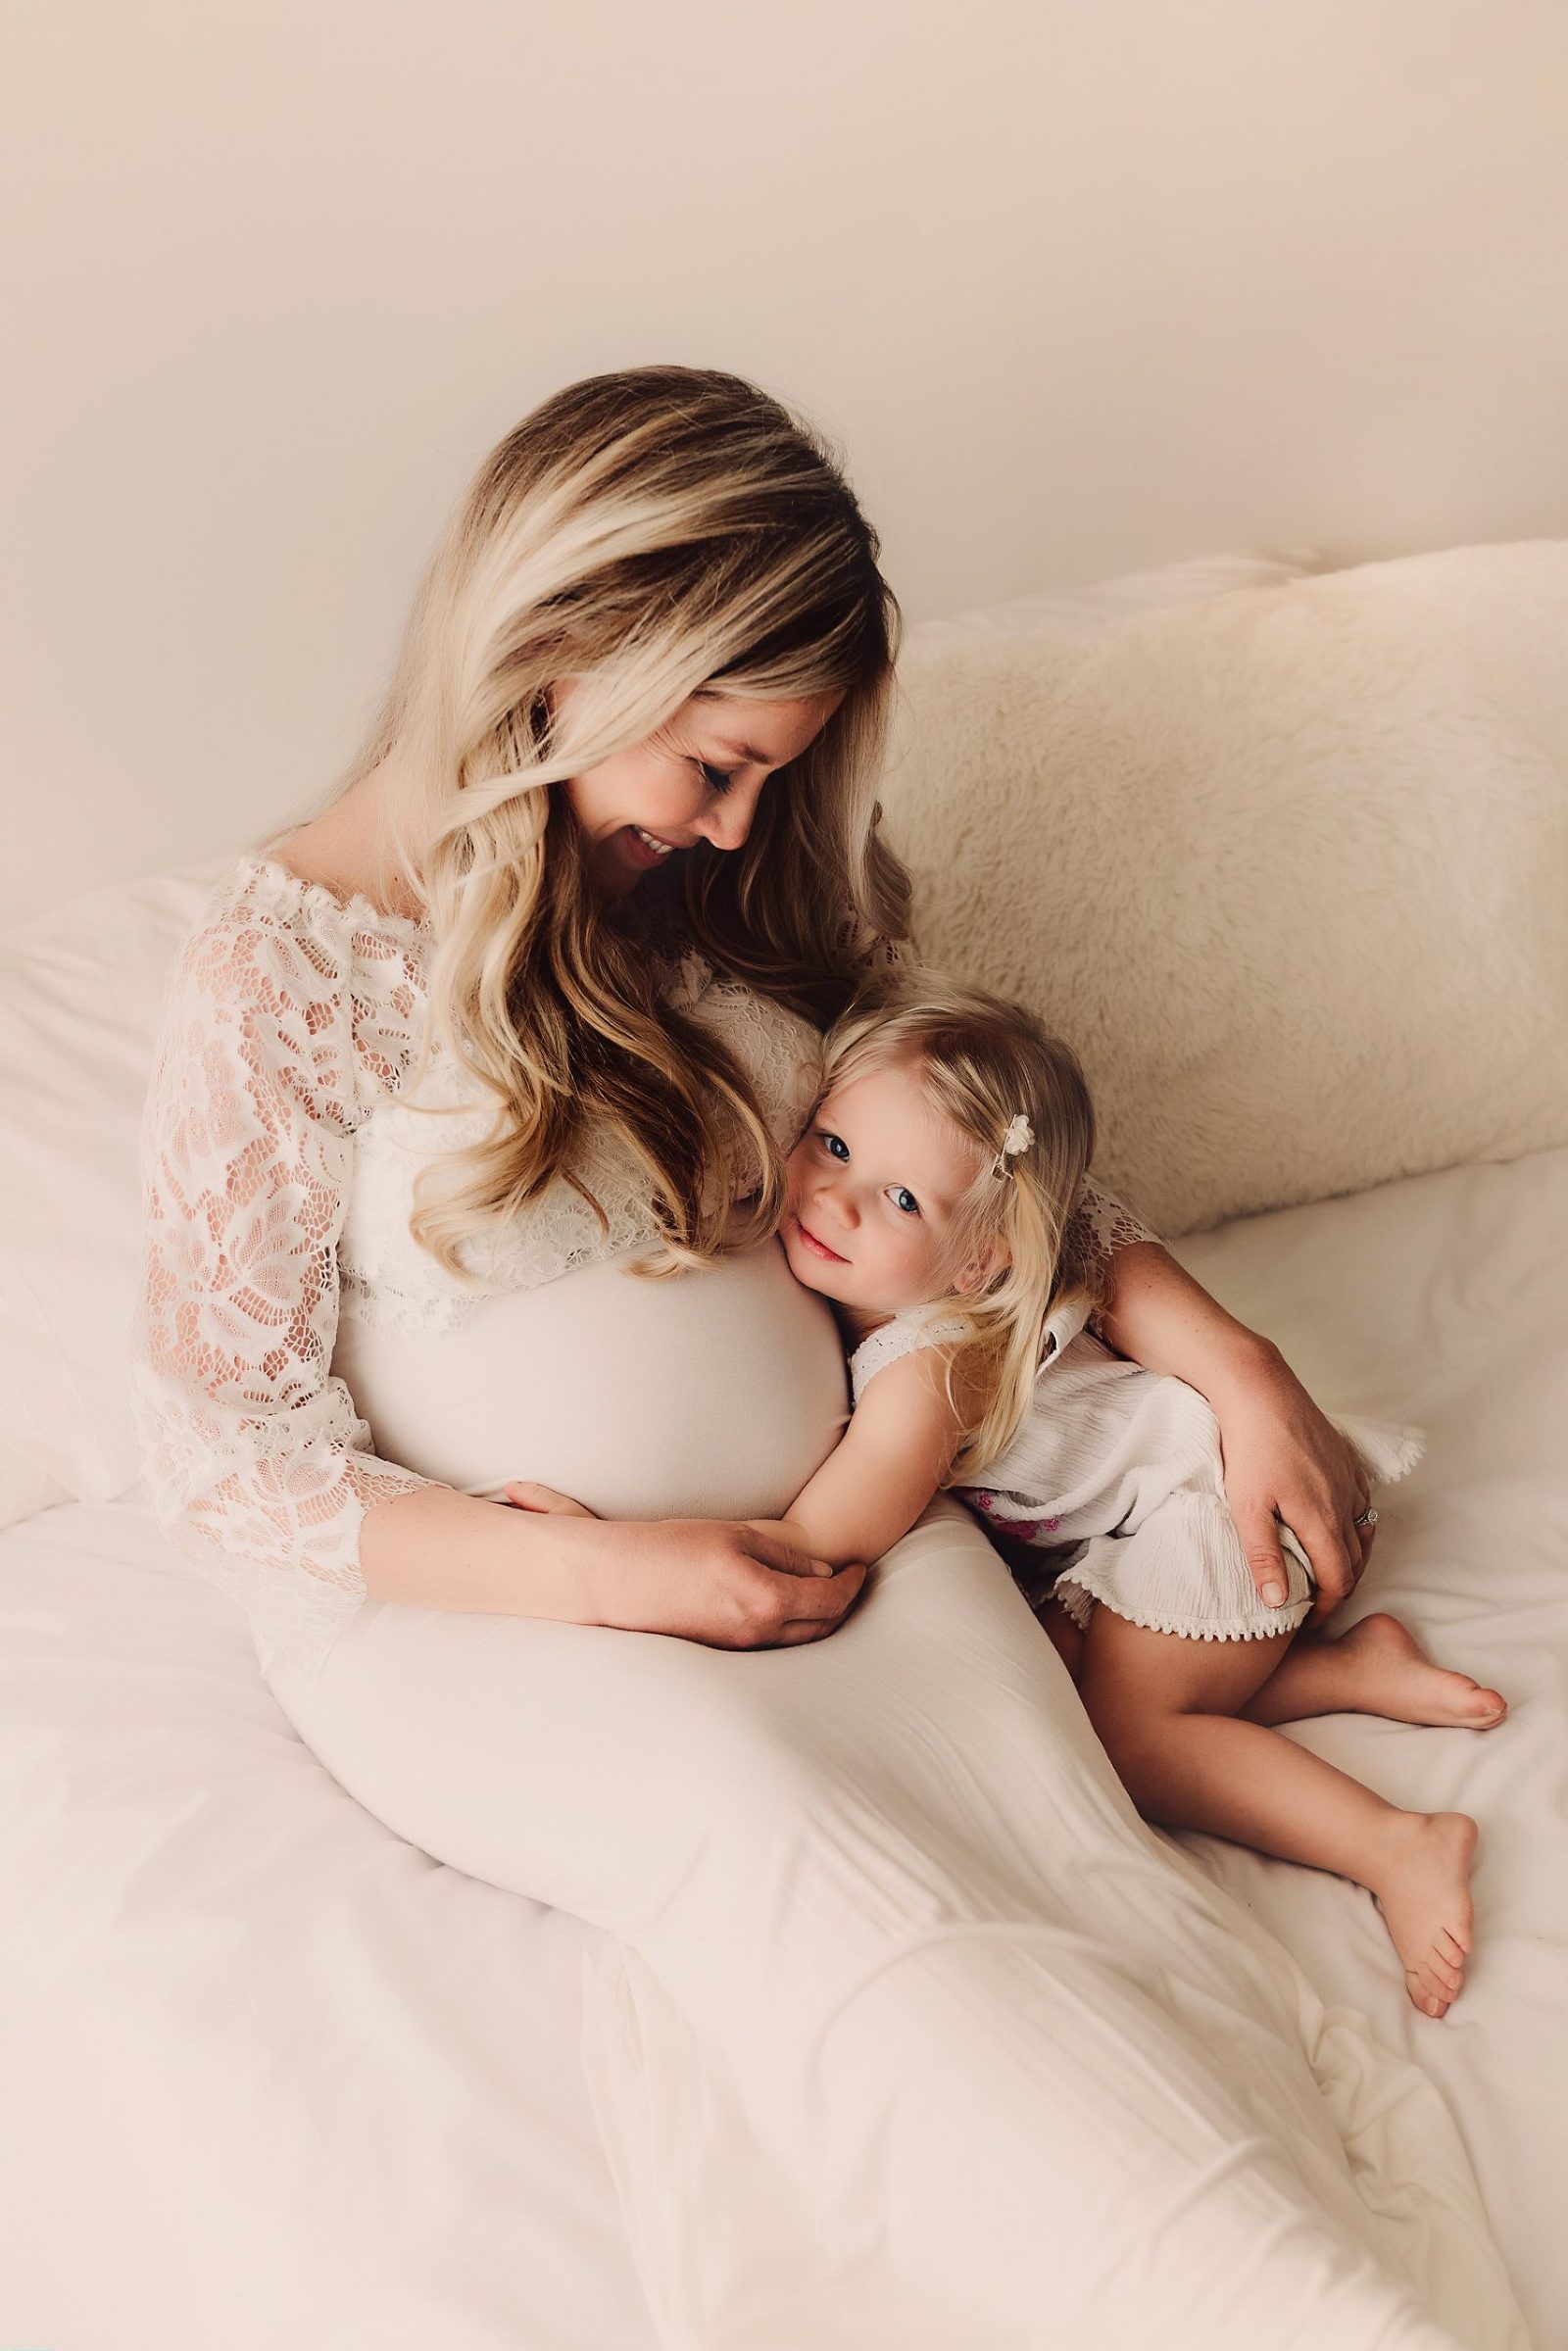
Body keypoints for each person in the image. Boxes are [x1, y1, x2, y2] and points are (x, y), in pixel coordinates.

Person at [127, 367, 1506, 2345]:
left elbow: (985, 1188)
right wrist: (603, 1566)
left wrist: (1234, 1364)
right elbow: (217, 1448)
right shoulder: (284, 968)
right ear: (558, 659)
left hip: (848, 1527)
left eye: (778, 766)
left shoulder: (717, 888)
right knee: (813, 1877)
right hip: (495, 1596)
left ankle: (1275, 2262)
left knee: (1067, 1855)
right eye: (712, 757)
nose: (742, 817)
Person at [513, 968, 1507, 2029]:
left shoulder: (930, 1371)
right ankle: (1339, 1670)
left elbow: (818, 1537)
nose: (833, 1197)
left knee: (1123, 1739)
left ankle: (1396, 1842)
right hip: (1164, 1514)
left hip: (1221, 1515)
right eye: (835, 1145)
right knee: (1056, 1679)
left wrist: (616, 1549)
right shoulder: (892, 1299)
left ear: (979, 1264)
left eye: (901, 1199)